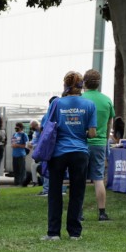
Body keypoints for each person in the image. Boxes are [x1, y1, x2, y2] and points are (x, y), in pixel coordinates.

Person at [41, 71, 96, 241]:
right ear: (81, 86)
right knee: (77, 193)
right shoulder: (89, 104)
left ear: (65, 85)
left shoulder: (57, 103)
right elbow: (93, 133)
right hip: (80, 152)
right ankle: (74, 232)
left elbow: (46, 126)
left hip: (58, 153)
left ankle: (53, 232)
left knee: (55, 193)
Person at [81, 69, 115, 222]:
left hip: (82, 143)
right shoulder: (107, 100)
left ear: (84, 82)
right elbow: (109, 124)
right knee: (98, 178)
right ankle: (102, 213)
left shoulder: (81, 99)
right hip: (100, 143)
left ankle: (78, 212)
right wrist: (105, 139)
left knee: (79, 178)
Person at [11, 122, 29, 187]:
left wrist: (18, 145)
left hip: (21, 154)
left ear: (20, 128)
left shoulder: (24, 135)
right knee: (15, 170)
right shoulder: (14, 134)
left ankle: (22, 182)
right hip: (14, 154)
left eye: (17, 127)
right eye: (15, 127)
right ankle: (16, 182)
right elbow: (12, 143)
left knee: (21, 169)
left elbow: (26, 145)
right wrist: (13, 145)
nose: (16, 128)